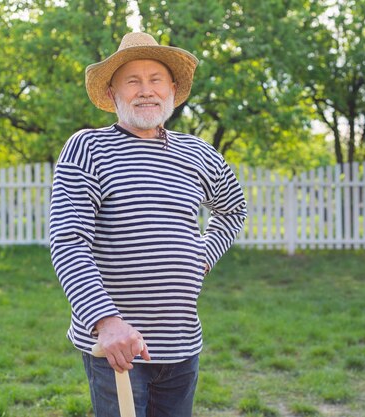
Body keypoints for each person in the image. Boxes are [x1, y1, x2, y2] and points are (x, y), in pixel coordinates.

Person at [49, 31, 247, 417]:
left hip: (181, 342)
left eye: (156, 79)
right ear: (112, 93)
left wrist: (202, 255)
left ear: (172, 88)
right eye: (132, 81)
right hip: (116, 346)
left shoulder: (198, 154)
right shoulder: (88, 148)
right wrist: (106, 322)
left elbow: (233, 209)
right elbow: (68, 240)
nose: (146, 91)